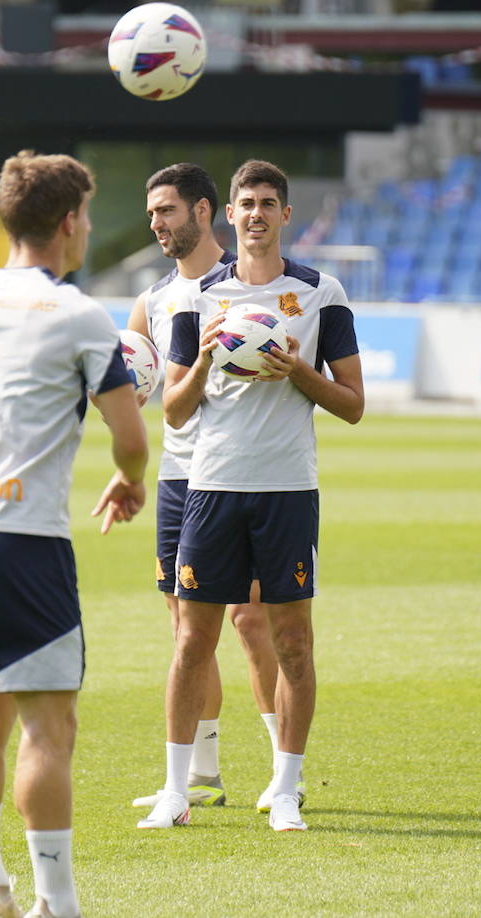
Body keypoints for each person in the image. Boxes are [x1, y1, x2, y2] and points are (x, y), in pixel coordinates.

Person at [0, 150, 148, 918]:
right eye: (85, 216)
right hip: (22, 539)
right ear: (68, 222)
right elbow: (130, 434)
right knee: (50, 727)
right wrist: (129, 479)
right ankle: (59, 904)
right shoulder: (81, 314)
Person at [138, 159, 364, 832]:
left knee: (293, 642)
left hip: (288, 488)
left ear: (286, 215)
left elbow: (352, 405)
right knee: (192, 641)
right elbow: (173, 412)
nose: (258, 213)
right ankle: (179, 790)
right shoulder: (198, 299)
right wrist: (206, 360)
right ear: (229, 216)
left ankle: (286, 788)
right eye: (247, 203)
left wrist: (297, 370)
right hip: (211, 485)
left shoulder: (322, 294)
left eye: (270, 202)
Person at [125, 163, 296, 815]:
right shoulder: (154, 300)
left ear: (204, 212)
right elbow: (139, 391)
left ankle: (287, 771)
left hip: (243, 476)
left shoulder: (254, 287)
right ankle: (204, 772)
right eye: (150, 215)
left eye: (166, 211)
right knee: (185, 630)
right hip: (178, 480)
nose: (157, 225)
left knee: (253, 622)